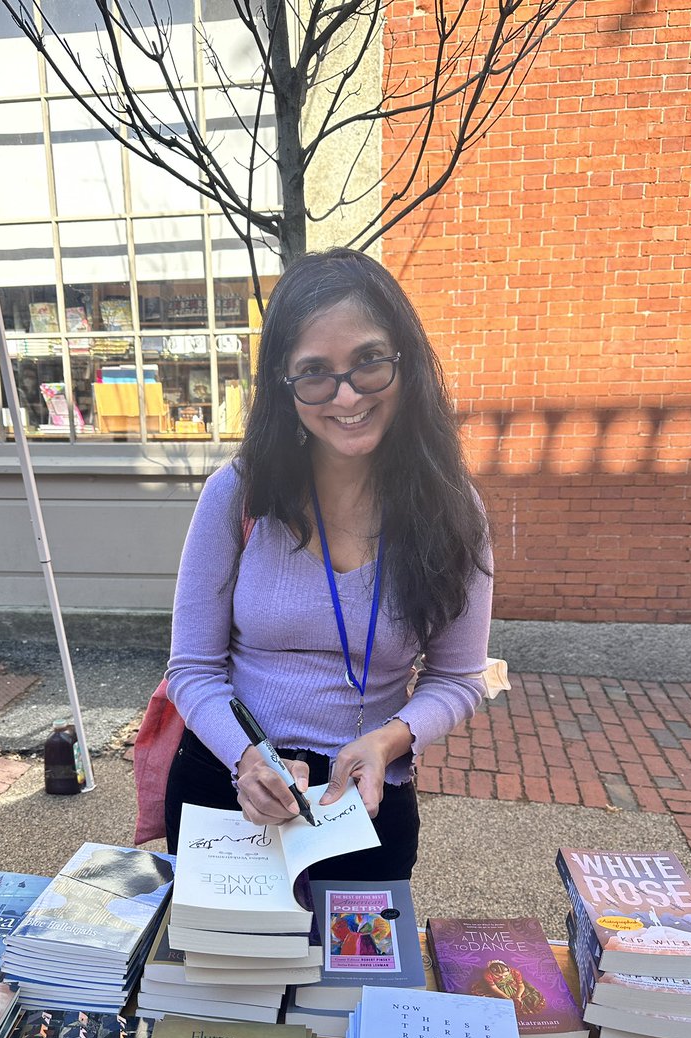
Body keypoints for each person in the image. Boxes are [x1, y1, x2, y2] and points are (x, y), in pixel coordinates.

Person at [164, 248, 493, 880]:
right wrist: (245, 758)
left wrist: (387, 741)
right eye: (315, 372)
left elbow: (459, 678)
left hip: (366, 799)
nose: (346, 395)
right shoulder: (237, 496)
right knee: (227, 977)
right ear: (284, 389)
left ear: (406, 361)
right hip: (233, 789)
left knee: (352, 979)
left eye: (368, 361)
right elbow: (193, 670)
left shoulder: (454, 512)